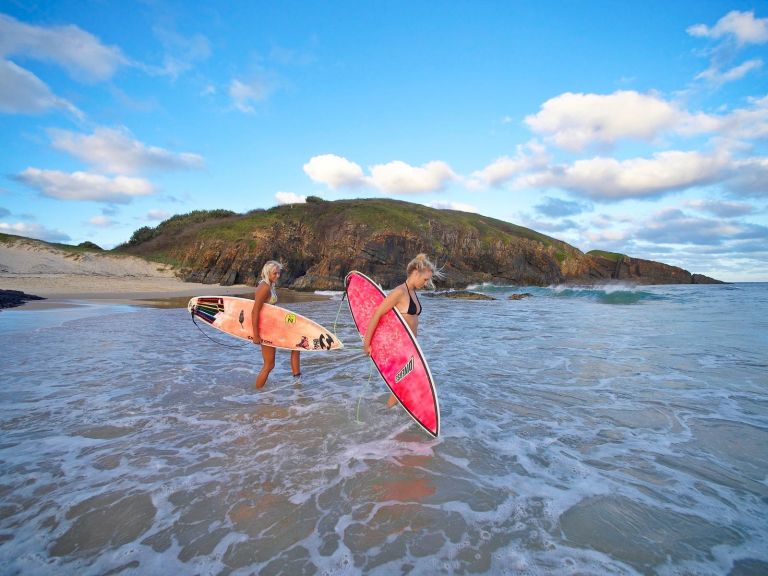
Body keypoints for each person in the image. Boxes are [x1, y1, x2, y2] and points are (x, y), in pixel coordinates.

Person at [363, 254, 444, 407]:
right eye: (425, 279)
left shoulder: (413, 292)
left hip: (411, 348)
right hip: (399, 347)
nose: (426, 283)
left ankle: (389, 414)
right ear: (415, 273)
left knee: (403, 385)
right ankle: (386, 414)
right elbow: (377, 313)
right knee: (403, 384)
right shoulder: (399, 292)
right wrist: (367, 343)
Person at [252, 260, 300, 389]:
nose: (278, 276)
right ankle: (256, 392)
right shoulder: (264, 287)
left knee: (296, 345)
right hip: (266, 330)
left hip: (273, 326)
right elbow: (255, 311)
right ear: (268, 273)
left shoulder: (270, 285)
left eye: (278, 273)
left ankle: (297, 379)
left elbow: (271, 309)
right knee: (269, 364)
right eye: (275, 273)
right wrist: (256, 335)